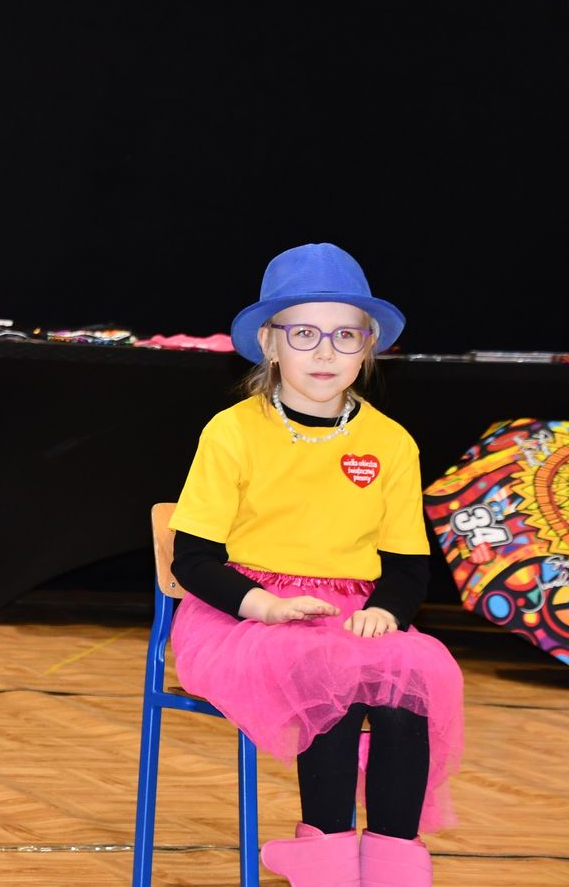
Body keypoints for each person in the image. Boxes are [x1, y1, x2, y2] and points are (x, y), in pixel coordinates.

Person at [167, 243, 464, 887]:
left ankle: (391, 862)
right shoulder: (232, 432)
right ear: (270, 343)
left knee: (412, 679)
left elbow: (408, 565)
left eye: (344, 335)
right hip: (244, 613)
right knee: (331, 672)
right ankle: (324, 854)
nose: (325, 352)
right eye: (304, 333)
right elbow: (192, 559)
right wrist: (266, 606)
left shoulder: (391, 442)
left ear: (368, 347)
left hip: (352, 611)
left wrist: (386, 612)